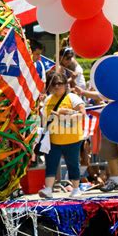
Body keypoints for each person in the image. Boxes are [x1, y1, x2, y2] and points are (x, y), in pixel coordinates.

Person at [39, 72, 86, 200]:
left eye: (59, 84)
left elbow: (82, 113)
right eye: (54, 84)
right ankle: (48, 189)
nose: (57, 86)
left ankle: (76, 188)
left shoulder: (72, 97)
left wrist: (67, 115)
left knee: (73, 164)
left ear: (65, 84)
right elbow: (44, 118)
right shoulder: (48, 99)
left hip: (72, 138)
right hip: (53, 139)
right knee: (51, 164)